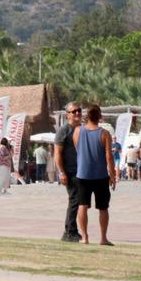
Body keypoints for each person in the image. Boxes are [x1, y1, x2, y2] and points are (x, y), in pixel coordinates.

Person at [74, 104, 116, 246]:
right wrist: (113, 175)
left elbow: (78, 149)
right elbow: (109, 157)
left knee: (82, 205)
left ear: (87, 116)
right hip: (100, 176)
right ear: (100, 117)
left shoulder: (77, 131)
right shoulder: (104, 134)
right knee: (103, 208)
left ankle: (84, 237)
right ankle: (103, 238)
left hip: (82, 174)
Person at [55, 102, 82, 242]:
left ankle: (73, 231)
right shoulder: (64, 130)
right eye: (74, 111)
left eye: (79, 110)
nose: (77, 113)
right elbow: (57, 153)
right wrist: (61, 172)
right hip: (70, 171)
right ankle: (69, 232)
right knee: (74, 200)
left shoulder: (82, 129)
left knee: (79, 201)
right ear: (67, 115)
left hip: (81, 171)